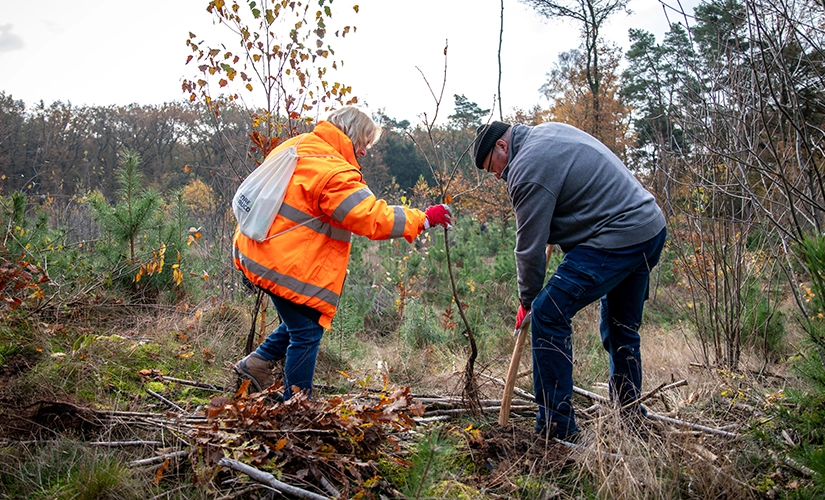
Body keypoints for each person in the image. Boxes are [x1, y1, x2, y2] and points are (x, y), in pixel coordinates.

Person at [232, 106, 452, 401]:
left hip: (257, 249)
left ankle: (257, 364)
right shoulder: (333, 169)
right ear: (351, 135)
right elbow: (370, 217)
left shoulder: (299, 144)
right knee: (306, 333)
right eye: (364, 143)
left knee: (304, 320)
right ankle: (297, 407)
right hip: (282, 263)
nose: (363, 152)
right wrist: (422, 218)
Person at [472, 120, 667, 440]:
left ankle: (556, 429)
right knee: (622, 326)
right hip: (649, 226)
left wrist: (528, 300)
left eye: (493, 167)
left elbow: (529, 249)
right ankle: (630, 416)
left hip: (621, 234)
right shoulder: (548, 132)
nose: (496, 176)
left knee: (548, 313)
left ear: (502, 147)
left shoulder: (526, 168)